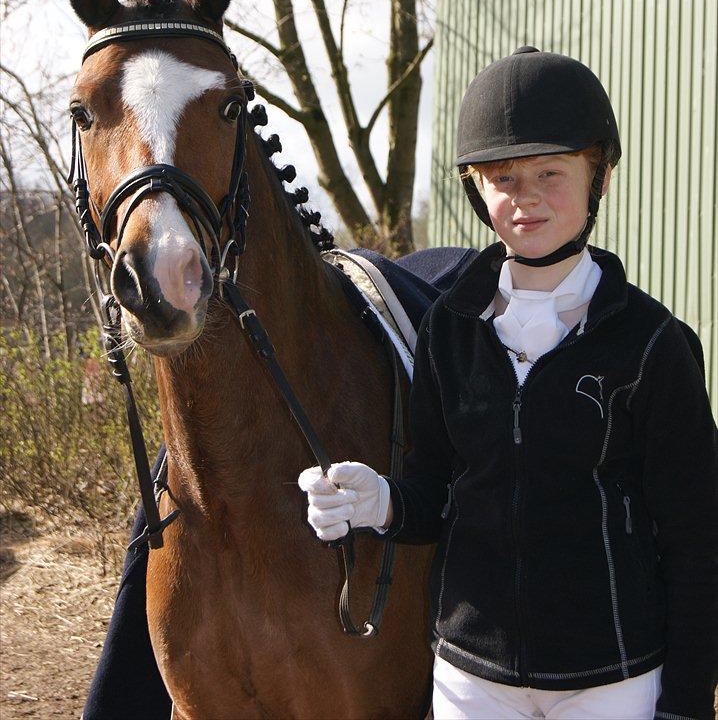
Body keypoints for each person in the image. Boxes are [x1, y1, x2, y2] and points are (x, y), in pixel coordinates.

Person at [299, 47, 718, 720]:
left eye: (551, 172)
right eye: (502, 177)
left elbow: (698, 542)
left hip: (611, 680)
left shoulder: (654, 346)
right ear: (477, 190)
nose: (525, 197)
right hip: (472, 678)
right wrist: (378, 503)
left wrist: (688, 703)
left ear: (599, 176)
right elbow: (436, 494)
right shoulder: (449, 332)